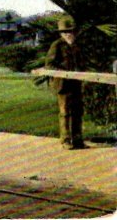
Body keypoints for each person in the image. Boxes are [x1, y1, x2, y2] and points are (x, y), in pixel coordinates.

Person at [45, 15, 85, 149]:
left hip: (76, 84)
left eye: (71, 31)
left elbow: (82, 62)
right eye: (65, 32)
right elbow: (49, 65)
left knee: (77, 112)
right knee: (65, 112)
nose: (68, 34)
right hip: (63, 85)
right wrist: (63, 73)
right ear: (61, 33)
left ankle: (78, 139)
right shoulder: (57, 45)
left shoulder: (77, 46)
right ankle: (66, 140)